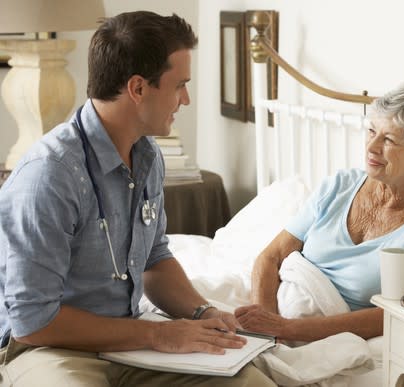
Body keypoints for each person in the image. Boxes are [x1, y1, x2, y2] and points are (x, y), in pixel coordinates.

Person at [0, 11, 275, 387]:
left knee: (252, 384)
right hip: (49, 347)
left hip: (129, 339)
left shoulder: (147, 155)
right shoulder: (49, 174)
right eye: (179, 85)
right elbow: (33, 322)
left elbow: (154, 259)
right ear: (138, 88)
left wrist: (203, 312)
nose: (186, 99)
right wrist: (158, 335)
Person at [235, 77, 404, 343]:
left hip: (316, 333)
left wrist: (286, 329)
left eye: (388, 139)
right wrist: (264, 330)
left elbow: (396, 313)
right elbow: (271, 257)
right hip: (277, 316)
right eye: (371, 131)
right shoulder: (339, 186)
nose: (371, 147)